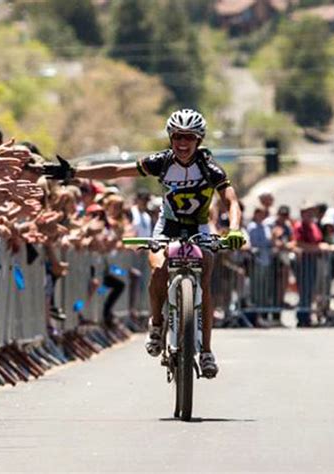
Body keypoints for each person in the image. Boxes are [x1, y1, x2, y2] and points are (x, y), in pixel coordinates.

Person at [43, 109, 245, 378]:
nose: (183, 143)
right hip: (168, 225)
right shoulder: (161, 162)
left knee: (206, 273)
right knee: (159, 269)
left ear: (199, 140)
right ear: (170, 138)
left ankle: (206, 351)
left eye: (189, 138)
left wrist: (234, 229)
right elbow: (116, 170)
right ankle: (157, 324)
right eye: (177, 137)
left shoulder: (209, 168)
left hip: (197, 226)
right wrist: (74, 172)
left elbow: (231, 201)